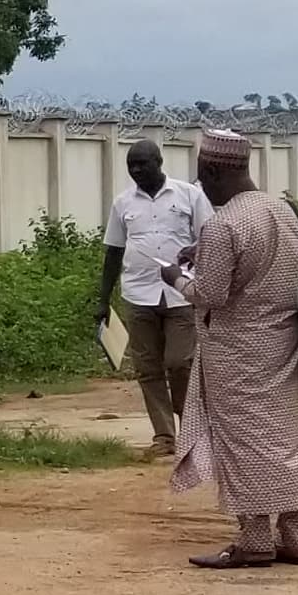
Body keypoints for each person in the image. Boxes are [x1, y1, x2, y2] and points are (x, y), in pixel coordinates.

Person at [169, 127, 298, 568]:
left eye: (202, 176)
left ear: (214, 171)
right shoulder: (285, 210)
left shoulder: (224, 224)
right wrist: (207, 253)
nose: (201, 185)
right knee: (288, 439)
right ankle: (296, 538)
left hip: (235, 355)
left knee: (244, 445)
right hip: (284, 344)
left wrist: (175, 279)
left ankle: (254, 541)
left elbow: (209, 295)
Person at [97, 138, 208, 457]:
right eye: (131, 165)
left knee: (180, 363)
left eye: (142, 164)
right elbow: (113, 251)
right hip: (138, 293)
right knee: (148, 369)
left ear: (159, 162)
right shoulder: (123, 203)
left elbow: (209, 237)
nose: (136, 170)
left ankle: (192, 428)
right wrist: (103, 299)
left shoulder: (189, 195)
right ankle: (164, 436)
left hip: (182, 293)